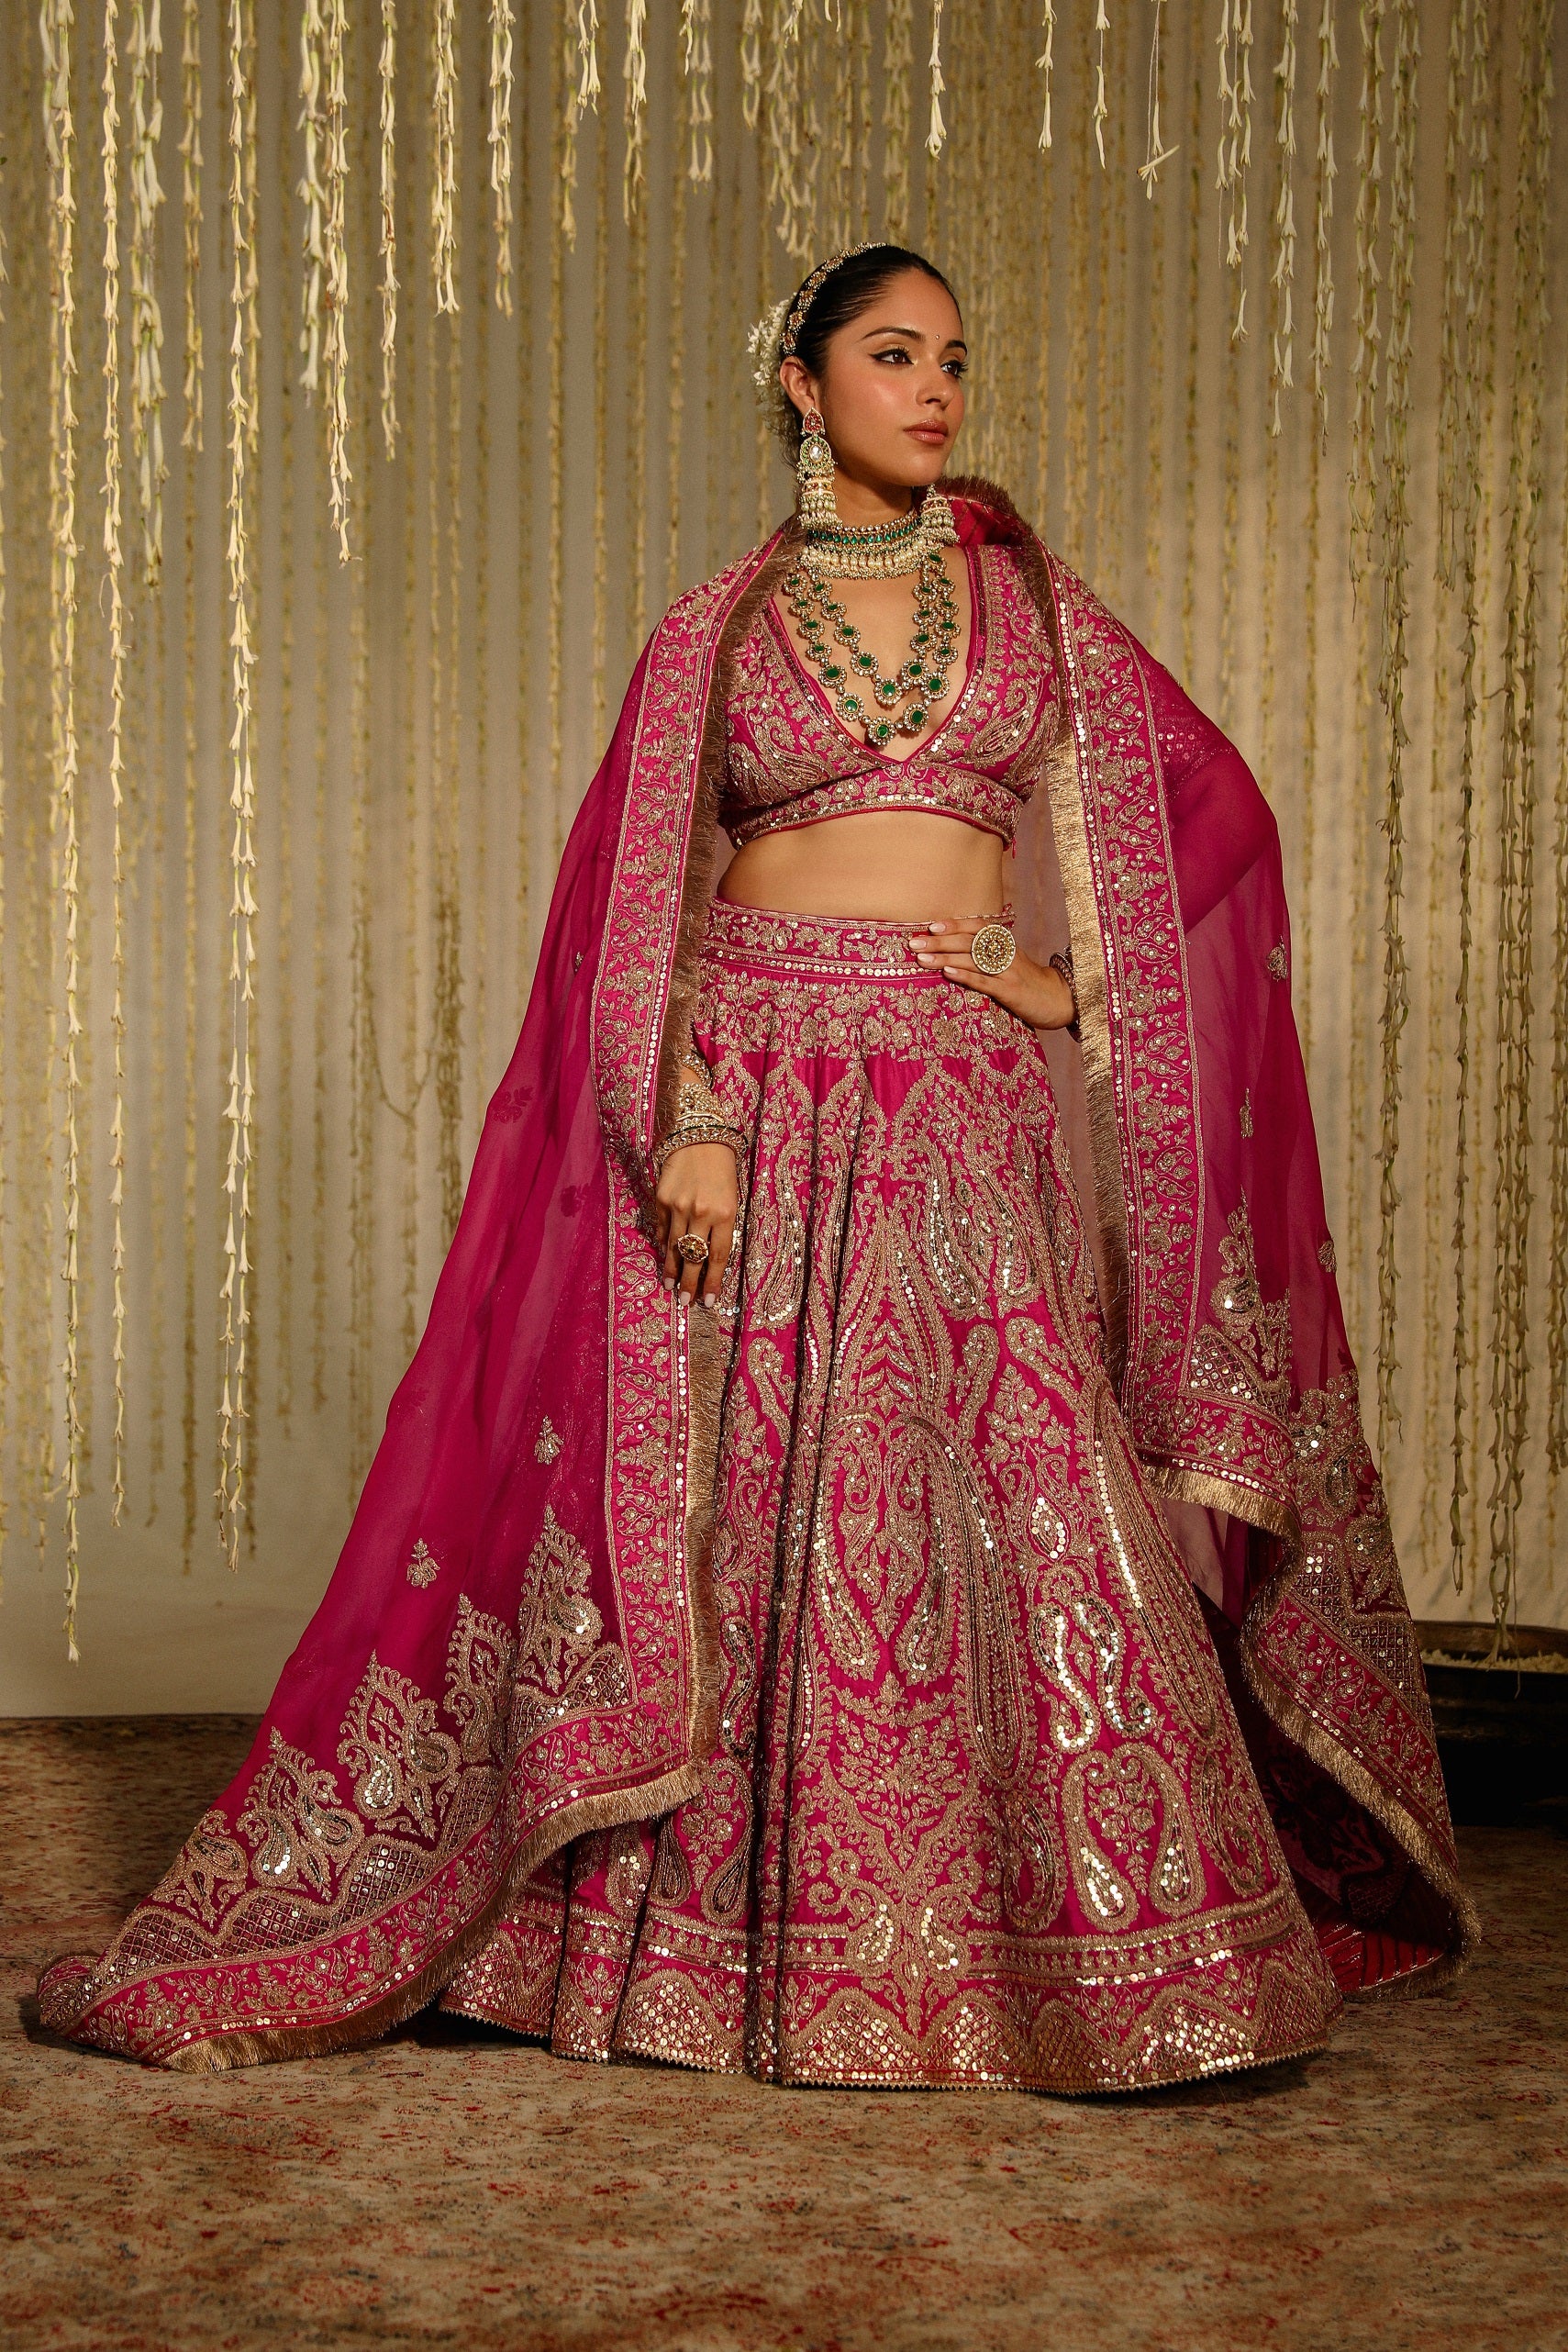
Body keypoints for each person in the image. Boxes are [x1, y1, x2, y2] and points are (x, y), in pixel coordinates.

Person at [40, 243, 1474, 2091]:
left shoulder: (1029, 599)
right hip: (763, 1088)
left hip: (961, 1096)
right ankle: (704, 1956)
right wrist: (691, 1117)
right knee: (758, 1511)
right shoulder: (715, 629)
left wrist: (1063, 988)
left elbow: (1203, 818)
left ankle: (1086, 1953)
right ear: (804, 384)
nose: (934, 389)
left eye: (952, 358)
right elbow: (639, 912)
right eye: (893, 354)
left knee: (1020, 1485)